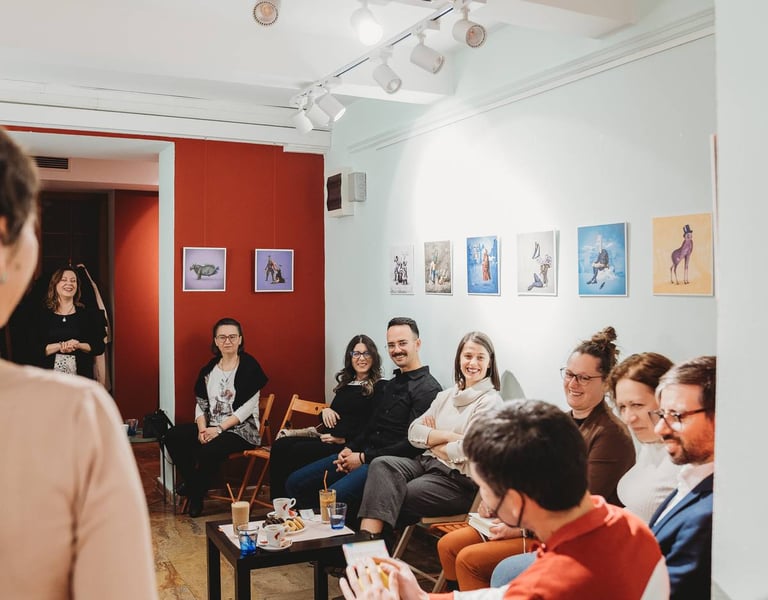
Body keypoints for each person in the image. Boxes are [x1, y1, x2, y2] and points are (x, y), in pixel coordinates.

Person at [0, 127, 158, 598]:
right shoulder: (75, 417)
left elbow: (100, 345)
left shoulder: (88, 325)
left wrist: (85, 351)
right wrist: (56, 350)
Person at [340, 401, 668, 600]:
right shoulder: (627, 525)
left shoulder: (555, 586)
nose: (485, 499)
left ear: (514, 500)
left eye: (484, 488)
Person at [438, 326, 636, 590]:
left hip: (571, 535)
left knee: (470, 560)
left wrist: (521, 526)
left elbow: (579, 506)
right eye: (569, 374)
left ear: (606, 381)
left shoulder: (610, 435)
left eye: (584, 378)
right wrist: (497, 502)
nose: (573, 384)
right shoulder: (561, 422)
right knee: (449, 545)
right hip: (532, 520)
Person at [285, 317, 441, 519]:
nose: (396, 350)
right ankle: (308, 532)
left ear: (417, 344)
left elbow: (412, 445)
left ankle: (334, 535)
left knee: (333, 499)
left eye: (402, 343)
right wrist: (350, 449)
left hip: (385, 464)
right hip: (361, 453)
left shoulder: (428, 389)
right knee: (295, 482)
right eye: (391, 345)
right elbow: (372, 425)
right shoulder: (392, 384)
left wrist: (362, 458)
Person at [357, 332, 504, 538]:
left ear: (489, 363)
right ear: (459, 359)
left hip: (458, 481)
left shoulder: (490, 403)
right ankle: (368, 545)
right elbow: (414, 432)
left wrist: (433, 442)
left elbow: (469, 450)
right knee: (381, 465)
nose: (473, 363)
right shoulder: (446, 396)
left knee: (396, 492)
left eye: (480, 357)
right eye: (468, 356)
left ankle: (371, 548)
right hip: (426, 463)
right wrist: (449, 436)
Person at [164, 317, 268, 517]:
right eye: (222, 337)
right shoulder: (209, 369)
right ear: (216, 341)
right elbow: (201, 403)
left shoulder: (250, 367)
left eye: (232, 337)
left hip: (240, 429)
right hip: (211, 424)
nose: (227, 341)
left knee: (208, 450)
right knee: (173, 435)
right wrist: (202, 428)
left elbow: (247, 408)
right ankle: (194, 484)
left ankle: (195, 495)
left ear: (240, 339)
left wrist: (219, 429)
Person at [269, 334, 385, 499]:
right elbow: (335, 415)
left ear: (373, 357)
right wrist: (325, 412)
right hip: (328, 437)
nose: (361, 358)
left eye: (366, 353)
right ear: (350, 357)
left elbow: (373, 424)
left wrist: (345, 439)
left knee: (296, 451)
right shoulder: (346, 384)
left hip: (347, 445)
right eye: (356, 353)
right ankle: (278, 503)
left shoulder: (379, 386)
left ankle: (292, 501)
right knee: (280, 445)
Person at [648, 355, 715, 599]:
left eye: (676, 415)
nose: (660, 429)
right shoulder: (691, 477)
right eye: (661, 414)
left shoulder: (709, 514)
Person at [609, 352, 681, 522]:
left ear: (666, 399)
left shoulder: (685, 460)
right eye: (622, 407)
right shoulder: (650, 446)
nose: (628, 418)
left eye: (637, 405)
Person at [35, 266, 106, 379]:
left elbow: (99, 347)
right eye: (64, 280)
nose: (69, 283)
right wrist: (60, 346)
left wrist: (78, 345)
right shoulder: (42, 315)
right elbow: (33, 349)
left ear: (77, 286)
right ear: (55, 284)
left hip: (81, 379)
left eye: (73, 281)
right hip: (48, 379)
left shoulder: (87, 315)